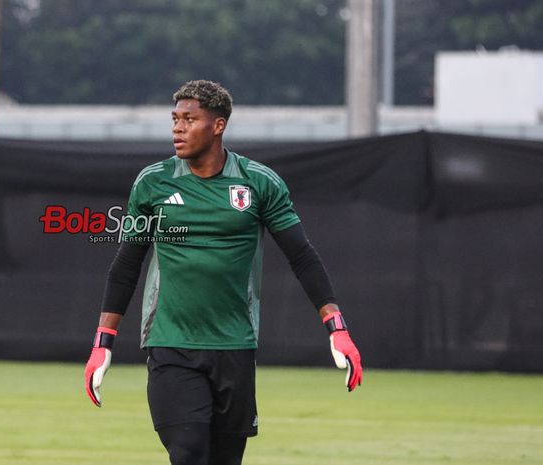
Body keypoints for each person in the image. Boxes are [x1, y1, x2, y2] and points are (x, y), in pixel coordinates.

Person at [84, 80, 363, 465]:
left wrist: (337, 327)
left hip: (234, 345)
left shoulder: (258, 183)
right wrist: (103, 343)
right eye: (175, 119)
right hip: (171, 344)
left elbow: (302, 256)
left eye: (189, 119)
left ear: (218, 125)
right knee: (188, 453)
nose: (177, 129)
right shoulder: (153, 183)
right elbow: (127, 264)